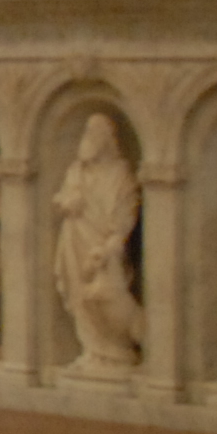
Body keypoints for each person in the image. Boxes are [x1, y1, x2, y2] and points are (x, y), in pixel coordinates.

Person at [53, 112, 146, 371]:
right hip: (74, 240)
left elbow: (126, 214)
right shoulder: (76, 171)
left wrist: (111, 245)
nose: (87, 140)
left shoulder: (120, 175)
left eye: (93, 134)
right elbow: (60, 198)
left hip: (103, 245)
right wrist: (67, 203)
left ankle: (116, 351)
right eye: (86, 133)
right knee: (78, 294)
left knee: (107, 297)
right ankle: (92, 350)